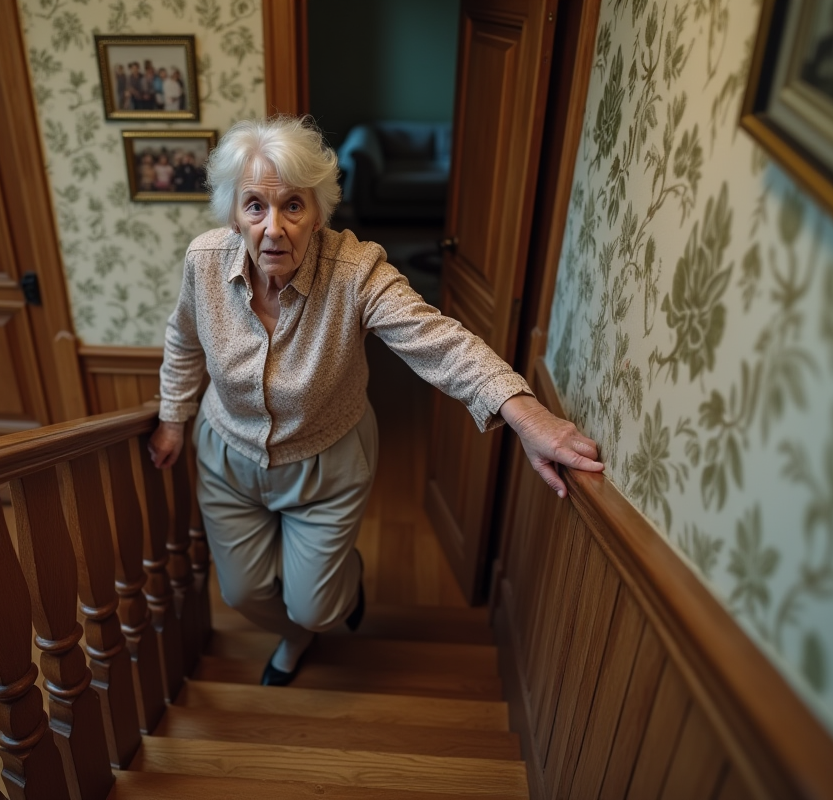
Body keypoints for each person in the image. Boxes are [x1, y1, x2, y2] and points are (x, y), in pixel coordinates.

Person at [148, 117, 603, 686]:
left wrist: (527, 414)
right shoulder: (203, 262)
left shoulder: (356, 272)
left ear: (318, 213)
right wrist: (173, 419)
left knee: (318, 608)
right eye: (255, 206)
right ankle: (295, 634)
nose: (273, 228)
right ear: (234, 214)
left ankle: (323, 602)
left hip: (327, 460)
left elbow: (439, 340)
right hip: (228, 455)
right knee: (241, 593)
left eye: (293, 206)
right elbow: (184, 339)